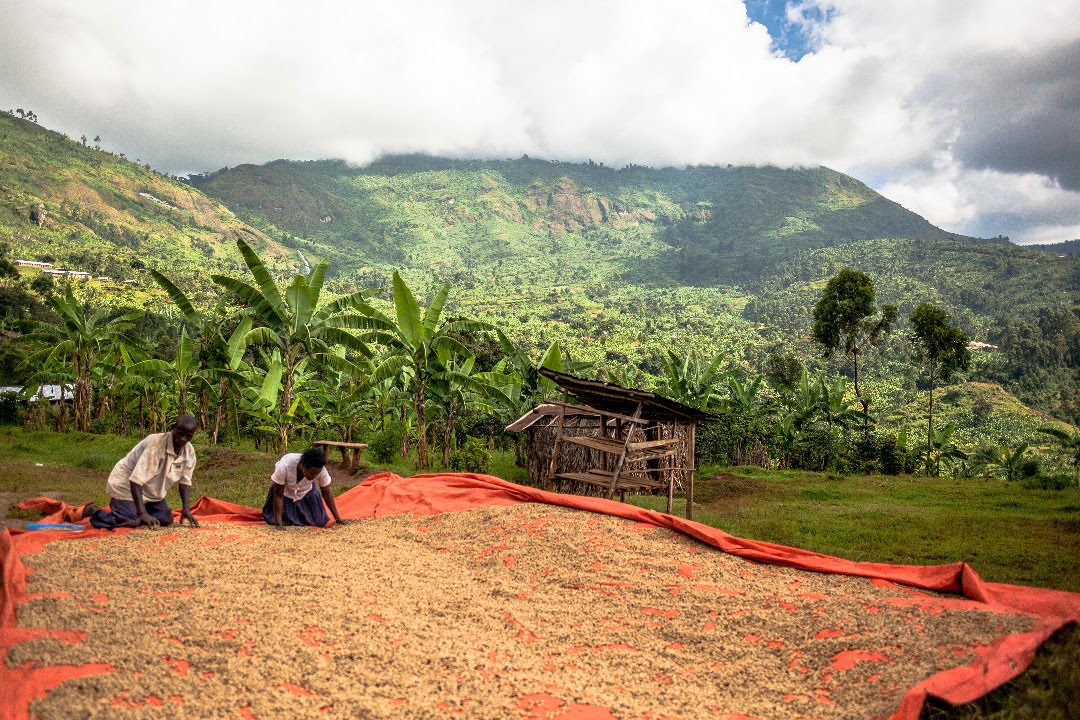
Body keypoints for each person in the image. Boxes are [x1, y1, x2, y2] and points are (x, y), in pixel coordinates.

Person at [89, 415, 200, 529]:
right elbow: (135, 481)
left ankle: (134, 510)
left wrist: (186, 509)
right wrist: (143, 513)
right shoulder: (156, 445)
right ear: (173, 428)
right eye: (180, 433)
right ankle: (94, 511)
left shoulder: (189, 452)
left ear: (193, 435)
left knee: (165, 519)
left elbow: (185, 483)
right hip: (126, 486)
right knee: (130, 521)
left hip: (150, 492)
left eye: (188, 436)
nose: (183, 439)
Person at [262, 446, 347, 528]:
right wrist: (278, 524)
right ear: (303, 466)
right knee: (281, 520)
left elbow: (326, 494)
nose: (313, 477)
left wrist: (338, 519)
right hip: (285, 493)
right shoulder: (285, 465)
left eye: (316, 475)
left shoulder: (321, 470)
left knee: (319, 522)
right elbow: (278, 496)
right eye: (311, 474)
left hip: (306, 493)